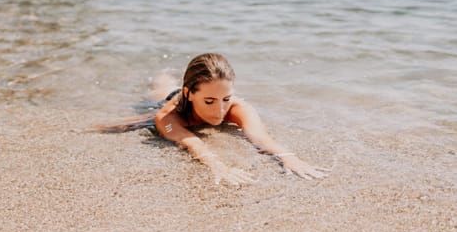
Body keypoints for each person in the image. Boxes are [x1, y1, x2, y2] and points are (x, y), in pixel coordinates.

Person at [92, 53, 329, 184]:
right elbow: (193, 143)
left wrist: (289, 157)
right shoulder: (167, 116)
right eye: (209, 102)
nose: (219, 111)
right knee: (160, 85)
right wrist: (218, 166)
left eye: (225, 98)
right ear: (190, 94)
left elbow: (259, 136)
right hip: (166, 98)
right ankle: (162, 74)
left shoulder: (237, 107)